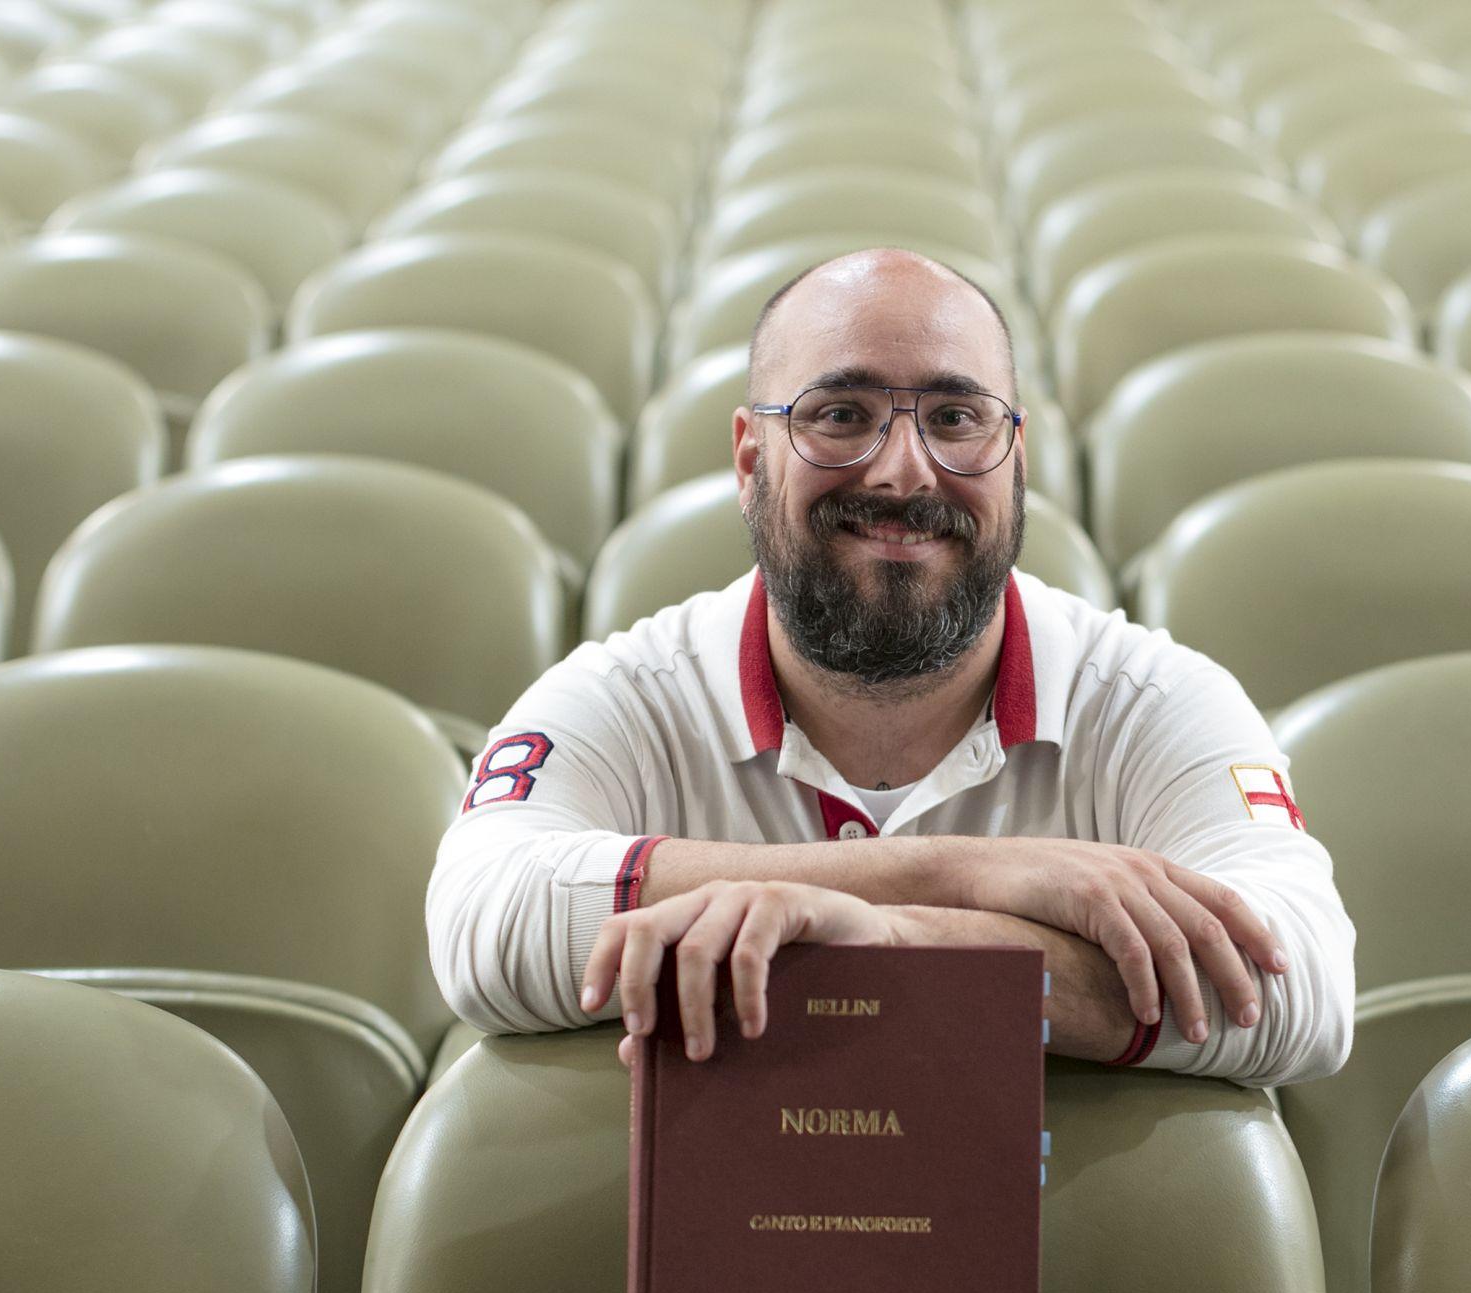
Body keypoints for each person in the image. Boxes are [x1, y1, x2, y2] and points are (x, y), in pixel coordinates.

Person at [426, 248, 1353, 1091]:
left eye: (956, 417)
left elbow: (1301, 986)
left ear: (1016, 455)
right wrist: (977, 876)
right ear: (750, 457)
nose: (905, 472)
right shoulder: (628, 692)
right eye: (841, 415)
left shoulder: (1156, 700)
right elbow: (485, 921)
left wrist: (894, 941)